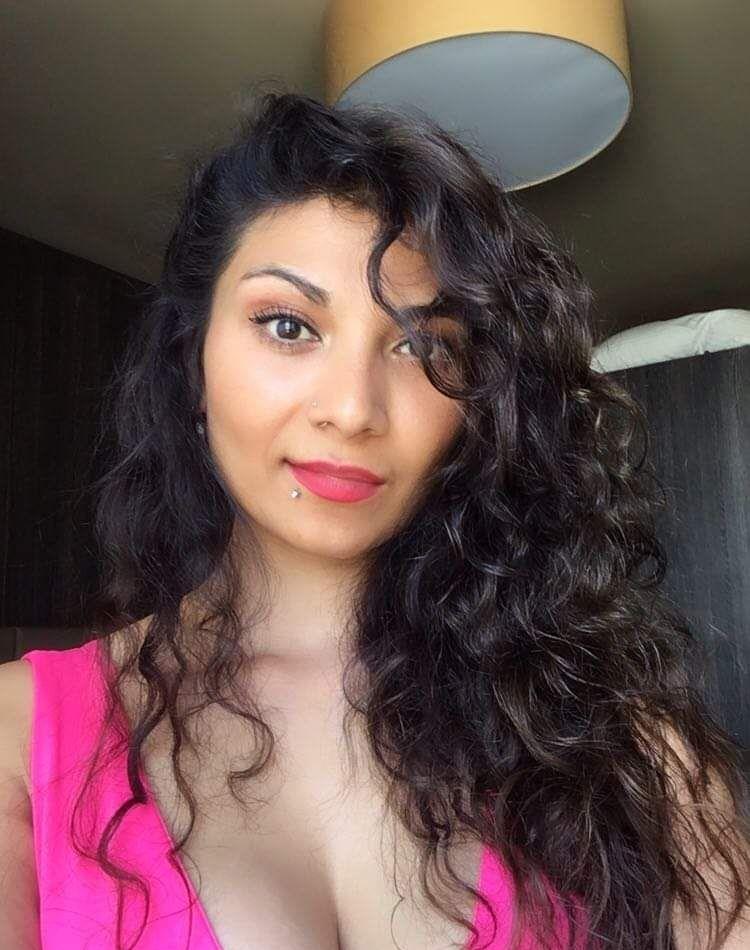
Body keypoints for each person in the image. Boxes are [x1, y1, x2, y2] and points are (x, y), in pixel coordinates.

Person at [1, 87, 749, 950]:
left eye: (423, 347)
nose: (354, 409)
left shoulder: (621, 742)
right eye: (288, 325)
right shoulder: (20, 741)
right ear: (192, 365)